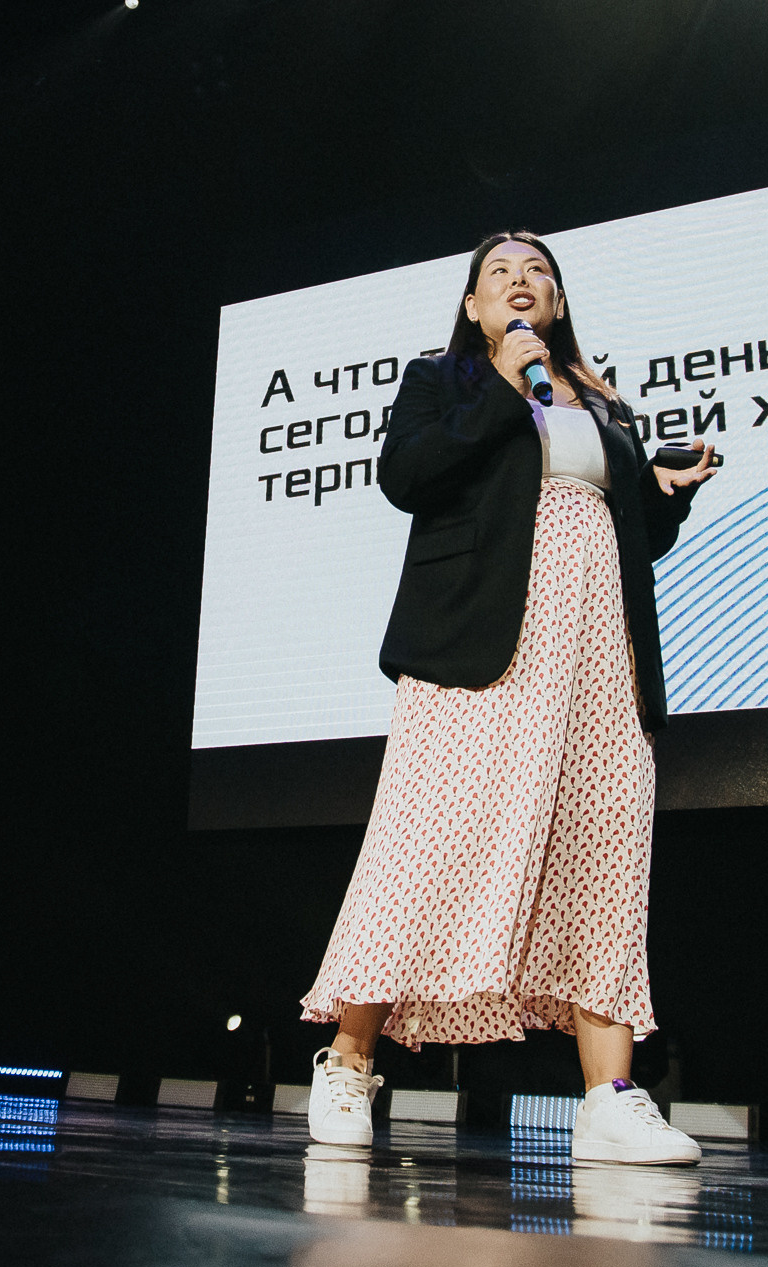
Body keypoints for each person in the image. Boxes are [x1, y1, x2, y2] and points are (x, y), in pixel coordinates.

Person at [300, 231, 721, 1165]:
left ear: (559, 303)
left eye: (538, 274)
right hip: (480, 645)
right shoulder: (444, 380)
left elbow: (629, 537)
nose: (521, 283)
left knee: (604, 847)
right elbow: (408, 477)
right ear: (475, 308)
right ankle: (349, 1057)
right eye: (501, 274)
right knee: (426, 839)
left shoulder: (604, 401)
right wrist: (501, 381)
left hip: (600, 655)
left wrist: (663, 491)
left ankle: (610, 1097)